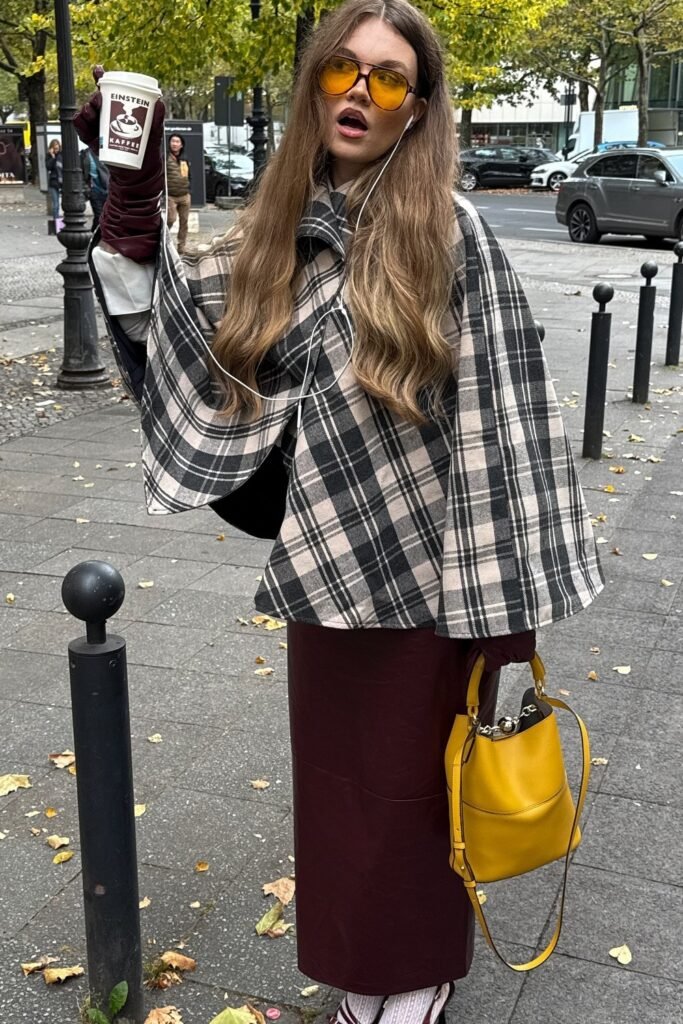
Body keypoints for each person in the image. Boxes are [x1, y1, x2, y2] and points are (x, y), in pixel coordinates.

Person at [74, 1, 603, 1018]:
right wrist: (131, 215)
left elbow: (505, 437)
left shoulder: (451, 234)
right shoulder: (276, 233)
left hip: (435, 592)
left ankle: (406, 1000)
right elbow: (193, 364)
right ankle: (369, 994)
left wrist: (504, 641)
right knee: (344, 811)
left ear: (415, 109)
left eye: (389, 77)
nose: (360, 91)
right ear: (315, 82)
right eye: (343, 70)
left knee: (415, 816)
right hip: (327, 576)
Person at [165, 132, 191, 253]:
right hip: (171, 196)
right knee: (171, 219)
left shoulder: (184, 158)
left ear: (181, 145)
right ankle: (163, 239)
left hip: (185, 195)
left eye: (177, 142)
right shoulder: (165, 157)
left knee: (184, 222)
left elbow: (188, 175)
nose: (174, 144)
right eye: (173, 141)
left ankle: (181, 246)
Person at [80, 147, 110, 232]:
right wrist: (86, 189)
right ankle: (94, 237)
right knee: (98, 216)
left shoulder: (105, 151)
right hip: (94, 190)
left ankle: (98, 237)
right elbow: (81, 173)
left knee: (107, 216)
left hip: (107, 189)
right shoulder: (85, 154)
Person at [45, 139, 62, 222]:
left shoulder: (61, 155)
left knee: (62, 204)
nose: (56, 149)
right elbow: (48, 167)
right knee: (56, 204)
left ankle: (61, 221)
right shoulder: (49, 156)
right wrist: (53, 157)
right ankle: (56, 222)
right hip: (53, 182)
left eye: (57, 147)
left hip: (61, 181)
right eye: (54, 147)